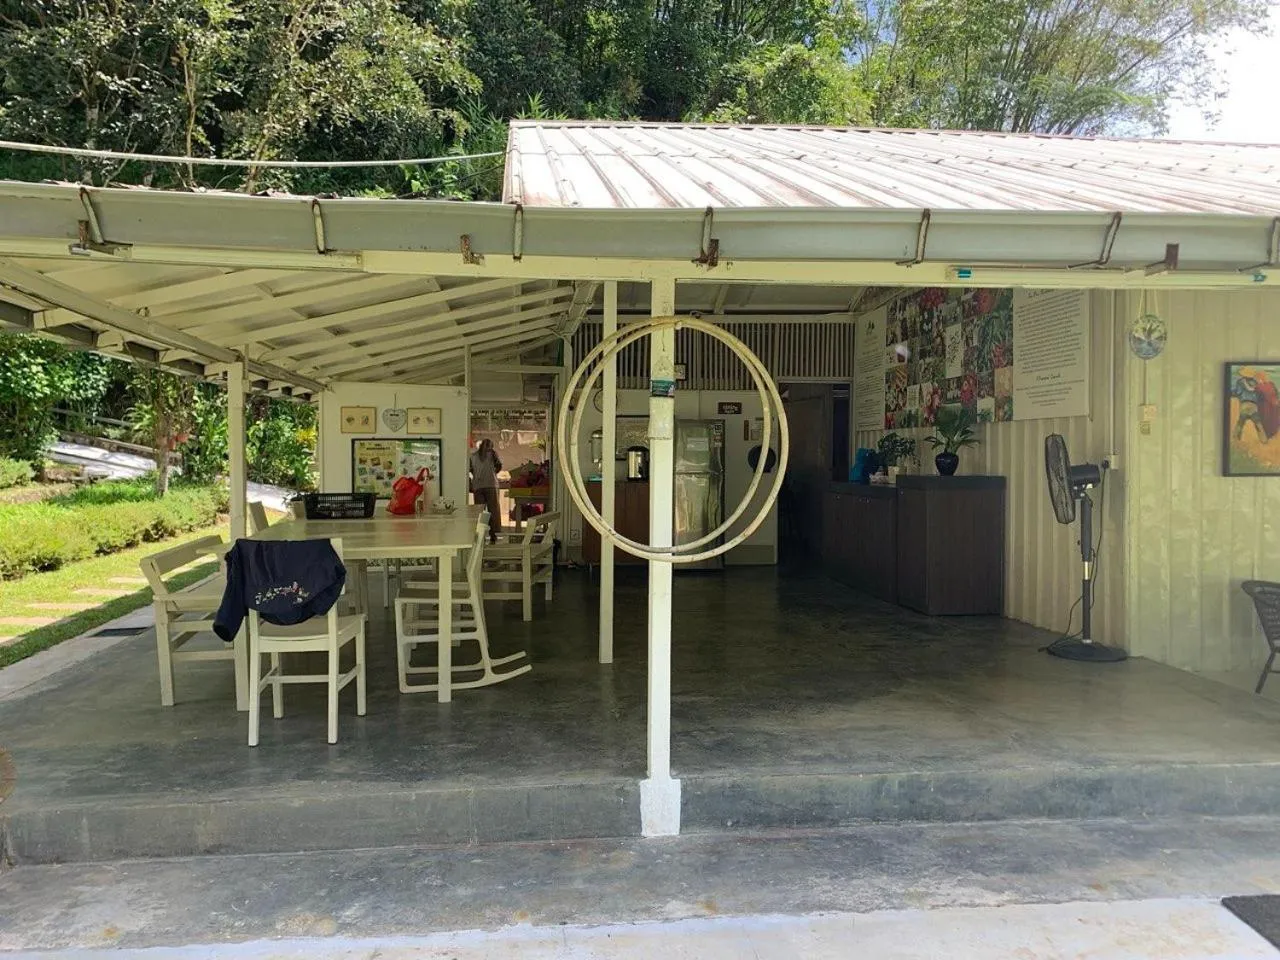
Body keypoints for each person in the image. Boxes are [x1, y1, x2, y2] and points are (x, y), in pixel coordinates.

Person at [469, 438, 503, 544]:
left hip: (478, 486)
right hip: (491, 485)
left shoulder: (473, 456)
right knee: (493, 511)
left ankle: (480, 535)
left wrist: (477, 476)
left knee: (480, 512)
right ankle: (493, 535)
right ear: (490, 446)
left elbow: (470, 469)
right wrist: (492, 473)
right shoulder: (492, 454)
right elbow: (499, 466)